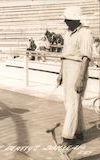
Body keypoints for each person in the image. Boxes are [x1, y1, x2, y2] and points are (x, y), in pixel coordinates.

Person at [57, 6, 93, 147]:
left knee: (72, 103)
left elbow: (86, 58)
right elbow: (64, 55)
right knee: (72, 101)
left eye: (67, 19)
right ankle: (79, 131)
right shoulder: (68, 33)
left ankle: (68, 137)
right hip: (66, 67)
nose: (65, 21)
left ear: (74, 20)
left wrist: (80, 78)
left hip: (77, 68)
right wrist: (60, 73)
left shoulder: (85, 34)